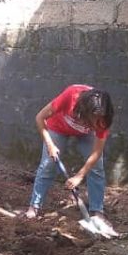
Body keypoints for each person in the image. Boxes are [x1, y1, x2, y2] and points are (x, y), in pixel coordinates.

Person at [27, 85, 114, 229]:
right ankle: (34, 206)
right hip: (58, 127)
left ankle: (97, 211)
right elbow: (40, 117)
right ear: (84, 112)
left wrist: (79, 176)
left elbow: (96, 152)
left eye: (100, 122)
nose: (98, 125)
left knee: (97, 167)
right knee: (48, 165)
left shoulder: (103, 118)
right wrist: (50, 144)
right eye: (94, 121)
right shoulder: (71, 95)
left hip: (84, 134)